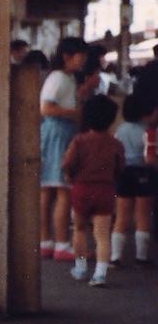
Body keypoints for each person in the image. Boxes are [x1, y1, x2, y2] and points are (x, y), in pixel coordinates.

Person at [61, 94, 125, 286]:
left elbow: (67, 164)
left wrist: (70, 176)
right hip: (105, 189)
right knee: (102, 234)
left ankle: (80, 268)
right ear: (111, 118)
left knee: (79, 229)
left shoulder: (79, 141)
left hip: (81, 188)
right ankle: (100, 274)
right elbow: (120, 167)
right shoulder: (115, 144)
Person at [39, 36, 90, 261]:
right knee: (62, 189)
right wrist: (75, 113)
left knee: (48, 189)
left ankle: (46, 242)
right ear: (67, 56)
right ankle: (61, 244)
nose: (83, 60)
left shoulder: (63, 77)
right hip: (59, 133)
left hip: (55, 133)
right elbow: (46, 108)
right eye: (81, 56)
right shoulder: (59, 78)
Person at [112, 93, 155, 266]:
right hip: (143, 173)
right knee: (142, 216)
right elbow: (149, 158)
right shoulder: (148, 131)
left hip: (123, 173)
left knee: (121, 216)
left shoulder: (120, 129)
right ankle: (141, 257)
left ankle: (115, 257)